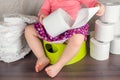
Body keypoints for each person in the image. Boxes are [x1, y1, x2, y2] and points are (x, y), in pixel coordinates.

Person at [25, 0, 105, 78]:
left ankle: (59, 65)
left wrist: (98, 7)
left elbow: (91, 2)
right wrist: (43, 16)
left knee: (78, 39)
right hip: (54, 27)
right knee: (29, 30)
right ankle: (42, 57)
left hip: (72, 28)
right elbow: (44, 10)